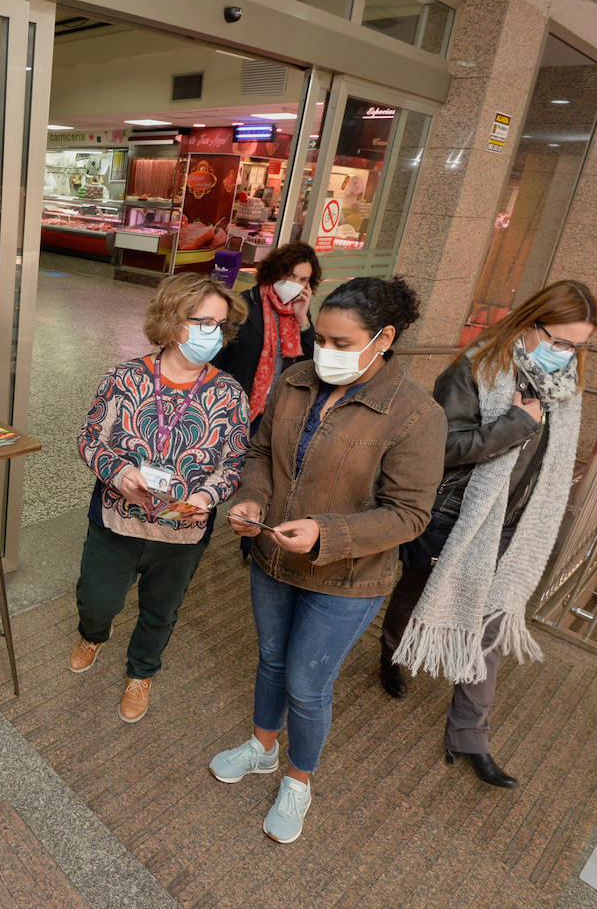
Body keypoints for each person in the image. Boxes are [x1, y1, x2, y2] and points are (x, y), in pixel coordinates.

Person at [209, 276, 447, 844]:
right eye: (322, 339)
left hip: (346, 577)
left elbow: (409, 515)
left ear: (383, 338)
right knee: (271, 660)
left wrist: (325, 532)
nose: (326, 353)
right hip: (274, 558)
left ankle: (299, 779)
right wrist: (252, 498)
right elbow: (261, 452)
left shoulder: (415, 415)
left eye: (343, 344)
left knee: (307, 683)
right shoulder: (295, 380)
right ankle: (263, 747)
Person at [381, 281, 597, 789]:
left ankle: (469, 735)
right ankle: (394, 653)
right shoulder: (473, 370)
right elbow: (443, 447)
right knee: (416, 590)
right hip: (454, 514)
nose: (566, 354)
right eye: (560, 341)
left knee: (492, 627)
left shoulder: (563, 386)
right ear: (530, 323)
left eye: (577, 346)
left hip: (515, 525)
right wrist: (517, 424)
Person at [72, 273, 251, 724]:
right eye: (205, 322)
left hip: (183, 531)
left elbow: (234, 463)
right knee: (98, 600)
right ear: (172, 321)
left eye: (221, 326)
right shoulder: (125, 377)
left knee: (161, 610)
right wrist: (118, 472)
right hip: (117, 519)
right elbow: (90, 437)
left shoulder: (230, 395)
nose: (215, 334)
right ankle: (93, 634)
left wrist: (207, 498)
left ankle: (141, 672)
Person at [210, 242, 321, 425]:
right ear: (275, 271)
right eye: (290, 275)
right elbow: (216, 355)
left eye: (303, 280)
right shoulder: (243, 305)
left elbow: (310, 362)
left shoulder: (300, 311)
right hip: (232, 407)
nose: (295, 284)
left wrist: (303, 321)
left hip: (273, 411)